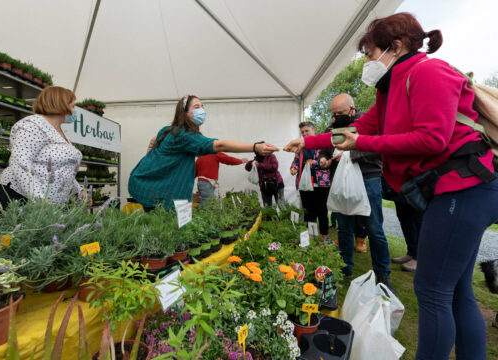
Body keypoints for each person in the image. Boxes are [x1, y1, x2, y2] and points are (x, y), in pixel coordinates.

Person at [285, 12, 498, 360]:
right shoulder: (393, 87)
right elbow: (357, 130)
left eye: (369, 54)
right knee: (456, 291)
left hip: (466, 188)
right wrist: (307, 142)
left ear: (395, 47)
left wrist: (364, 145)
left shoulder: (429, 71)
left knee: (431, 292)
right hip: (457, 190)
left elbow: (432, 139)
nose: (368, 62)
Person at [128, 95, 277, 211]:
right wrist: (255, 147)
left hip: (152, 186)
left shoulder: (169, 130)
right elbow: (220, 145)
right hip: (169, 195)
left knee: (165, 231)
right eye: (197, 106)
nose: (202, 110)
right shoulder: (185, 136)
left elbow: (153, 140)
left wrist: (149, 161)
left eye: (202, 106)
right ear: (185, 112)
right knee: (174, 234)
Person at [320, 94, 391, 287]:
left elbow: (378, 148)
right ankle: (345, 266)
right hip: (342, 182)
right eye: (333, 113)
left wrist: (352, 152)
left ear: (352, 109)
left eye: (340, 113)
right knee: (344, 227)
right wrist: (324, 160)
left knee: (375, 228)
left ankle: (382, 273)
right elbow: (324, 151)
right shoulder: (331, 128)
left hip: (368, 178)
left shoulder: (368, 123)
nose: (336, 117)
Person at [0, 86, 88, 209]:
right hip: (25, 196)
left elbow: (61, 168)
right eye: (72, 105)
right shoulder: (33, 125)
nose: (74, 110)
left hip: (50, 201)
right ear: (60, 104)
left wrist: (78, 190)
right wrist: (38, 198)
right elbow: (20, 163)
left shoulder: (60, 131)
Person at [290, 121, 331, 242]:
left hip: (321, 184)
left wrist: (315, 163)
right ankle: (311, 235)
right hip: (305, 184)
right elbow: (296, 161)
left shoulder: (322, 144)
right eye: (302, 132)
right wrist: (294, 168)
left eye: (307, 131)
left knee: (322, 211)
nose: (304, 134)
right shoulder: (300, 147)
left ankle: (324, 236)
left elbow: (328, 161)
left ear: (314, 130)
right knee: (309, 211)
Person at [382, 178, 424, 272]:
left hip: (417, 181)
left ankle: (418, 258)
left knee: (418, 220)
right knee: (404, 218)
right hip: (401, 182)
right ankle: (411, 252)